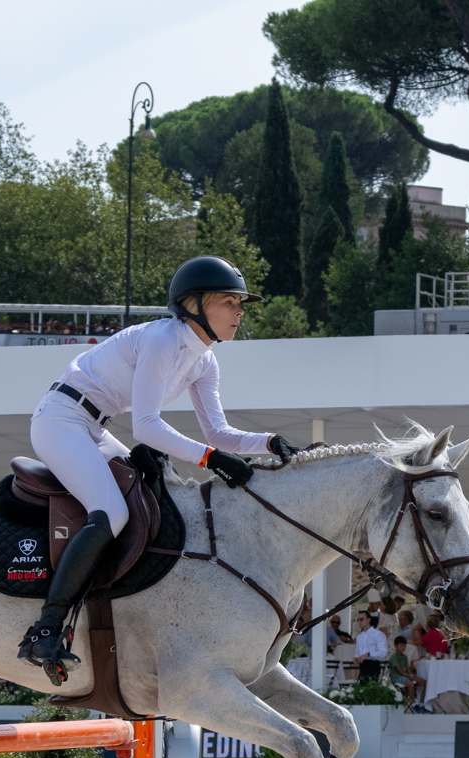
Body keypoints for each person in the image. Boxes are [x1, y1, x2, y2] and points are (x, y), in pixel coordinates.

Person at [18, 256, 296, 681]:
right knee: (111, 512)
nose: (240, 311)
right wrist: (208, 459)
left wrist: (268, 442)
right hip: (61, 418)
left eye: (241, 303)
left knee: (149, 496)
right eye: (230, 302)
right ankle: (46, 629)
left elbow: (219, 434)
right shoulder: (164, 340)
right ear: (194, 304)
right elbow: (146, 425)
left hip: (93, 425)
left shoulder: (205, 361)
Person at [354, 612, 388, 682]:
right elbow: (357, 652)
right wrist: (356, 658)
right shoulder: (359, 637)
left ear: (368, 620)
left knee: (372, 689)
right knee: (362, 688)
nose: (359, 622)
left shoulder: (378, 634)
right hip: (363, 666)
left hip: (373, 664)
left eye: (362, 619)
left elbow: (383, 652)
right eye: (358, 620)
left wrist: (368, 654)